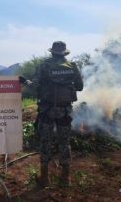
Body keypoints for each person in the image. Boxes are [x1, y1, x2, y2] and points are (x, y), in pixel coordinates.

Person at [35, 41, 83, 187]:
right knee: (64, 142)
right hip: (65, 111)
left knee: (45, 142)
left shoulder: (44, 66)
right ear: (65, 53)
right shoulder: (72, 66)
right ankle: (65, 178)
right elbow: (80, 87)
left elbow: (36, 87)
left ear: (52, 52)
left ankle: (44, 178)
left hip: (47, 110)